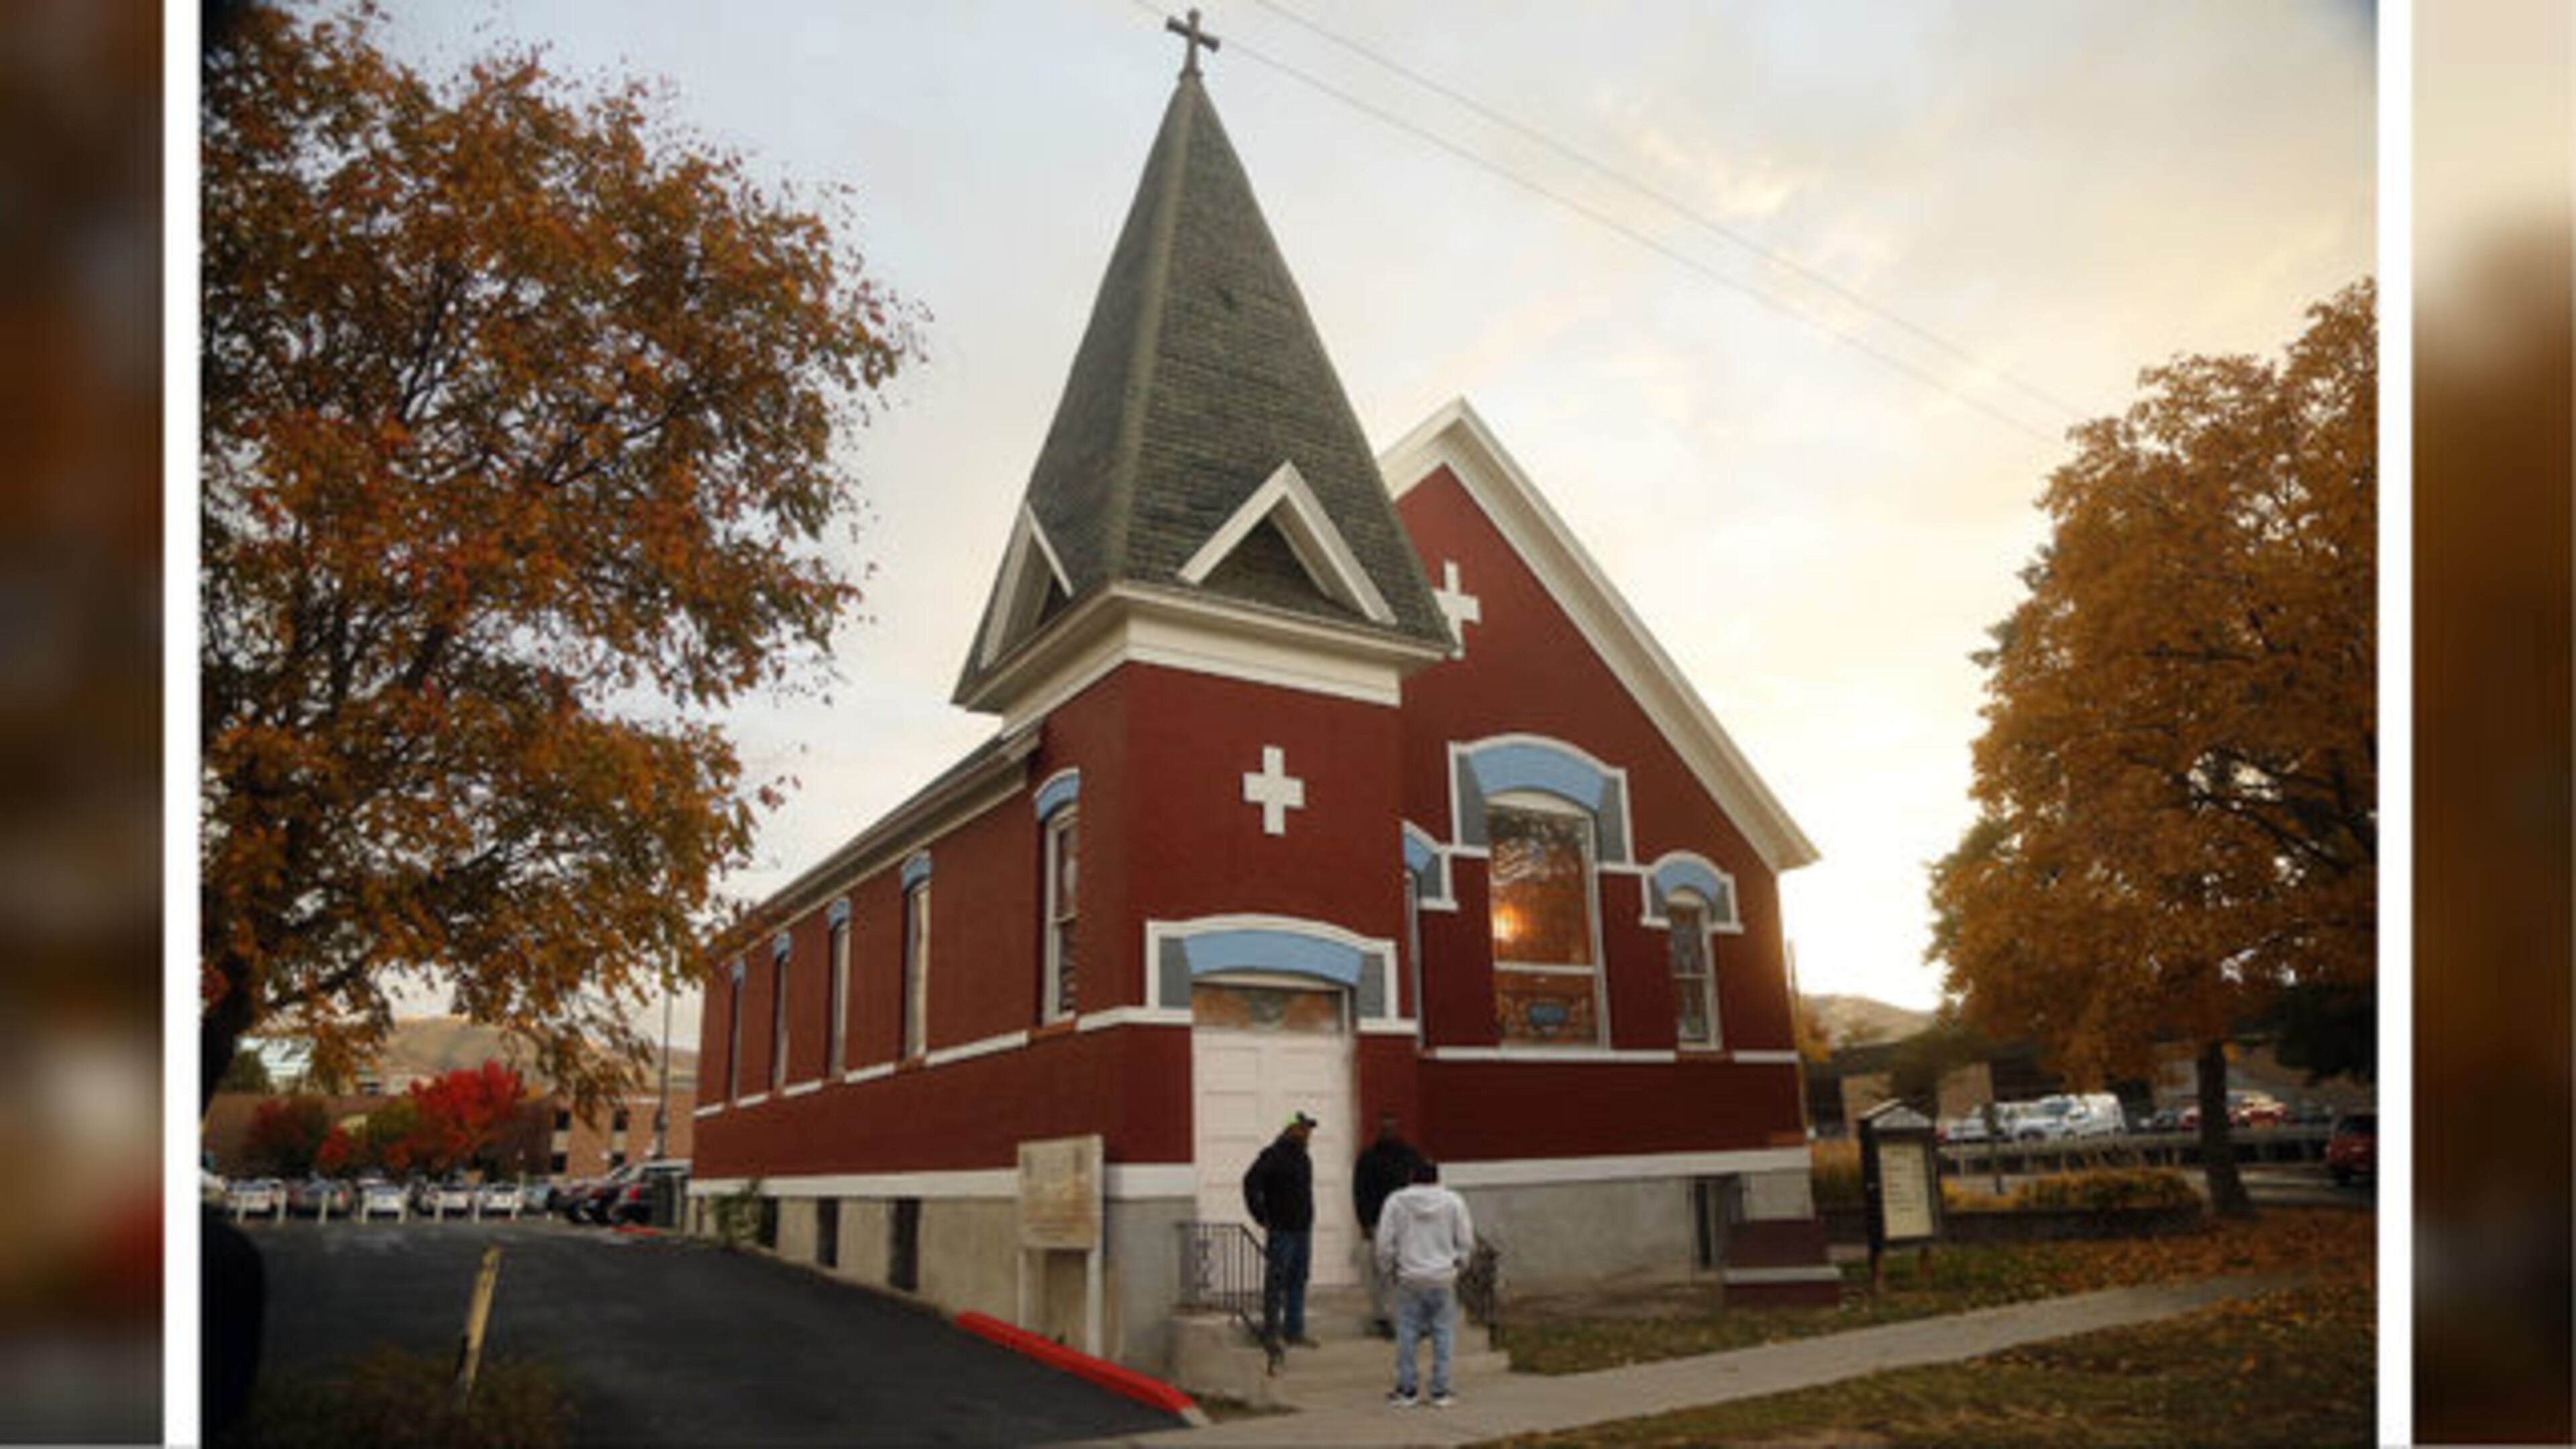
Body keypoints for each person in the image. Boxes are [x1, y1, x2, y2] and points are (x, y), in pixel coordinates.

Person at [1376, 1158, 1474, 1409]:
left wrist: (1388, 1269)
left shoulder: (1396, 1201)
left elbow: (1385, 1242)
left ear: (1411, 1176)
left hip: (1409, 1277)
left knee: (1407, 1334)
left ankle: (1407, 1389)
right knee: (1444, 1334)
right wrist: (1459, 1265)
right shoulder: (1453, 1201)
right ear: (1437, 1177)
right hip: (1442, 1276)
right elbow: (1465, 1240)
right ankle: (1440, 1390)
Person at [1241, 1110, 1319, 1363]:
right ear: (1290, 1130)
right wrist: (1261, 1216)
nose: (1307, 1133)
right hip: (1282, 1230)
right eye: (1303, 1128)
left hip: (1302, 1230)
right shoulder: (1272, 1156)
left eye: (1308, 1129)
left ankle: (1294, 1330)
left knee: (1299, 1279)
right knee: (1277, 1282)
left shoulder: (1304, 1158)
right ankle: (1271, 1331)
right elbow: (1250, 1182)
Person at [1352, 1113, 1426, 1336]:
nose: (1389, 1133)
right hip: (1378, 1223)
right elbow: (1360, 1192)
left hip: (1408, 1224)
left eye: (1393, 1128)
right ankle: (1383, 1318)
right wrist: (1364, 1222)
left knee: (1409, 1272)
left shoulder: (1411, 1156)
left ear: (1398, 1130)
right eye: (1385, 1129)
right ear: (1380, 1131)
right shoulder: (1368, 1158)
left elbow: (1423, 1189)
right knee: (1381, 1273)